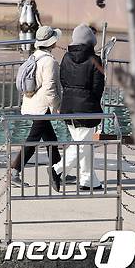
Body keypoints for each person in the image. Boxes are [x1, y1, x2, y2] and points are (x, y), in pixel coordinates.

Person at [48, 24, 104, 192]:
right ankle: (57, 169)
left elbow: (63, 80)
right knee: (82, 144)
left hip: (68, 107)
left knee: (83, 144)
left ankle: (88, 180)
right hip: (87, 108)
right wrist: (92, 101)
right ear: (90, 42)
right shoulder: (95, 60)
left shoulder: (65, 58)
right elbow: (98, 87)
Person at [10, 25, 62, 187]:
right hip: (42, 107)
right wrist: (57, 106)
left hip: (31, 103)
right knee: (32, 140)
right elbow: (50, 87)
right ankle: (14, 171)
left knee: (50, 138)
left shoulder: (34, 56)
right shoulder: (49, 62)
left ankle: (59, 171)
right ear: (51, 43)